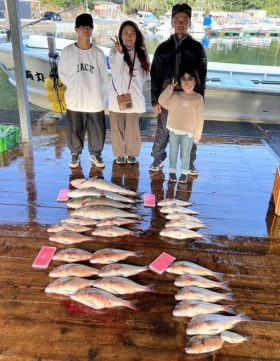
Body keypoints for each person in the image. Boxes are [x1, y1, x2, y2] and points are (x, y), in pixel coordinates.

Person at [150, 3, 207, 175]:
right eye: (177, 20)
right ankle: (158, 158)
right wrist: (154, 100)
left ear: (189, 23)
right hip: (167, 98)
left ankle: (189, 163)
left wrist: (200, 100)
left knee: (188, 133)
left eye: (185, 20)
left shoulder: (197, 48)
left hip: (189, 99)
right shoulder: (162, 48)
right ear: (172, 22)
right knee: (163, 131)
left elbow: (202, 77)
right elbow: (155, 75)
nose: (181, 23)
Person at [58, 13, 107, 169]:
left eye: (89, 26)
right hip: (75, 99)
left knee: (97, 130)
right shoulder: (67, 52)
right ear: (76, 29)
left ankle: (96, 153)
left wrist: (92, 88)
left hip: (94, 99)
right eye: (83, 26)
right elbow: (63, 74)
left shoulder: (98, 53)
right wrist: (75, 85)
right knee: (74, 129)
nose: (86, 29)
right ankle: (75, 154)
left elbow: (102, 75)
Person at [108, 20, 150, 165]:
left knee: (133, 127)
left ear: (137, 35)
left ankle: (132, 153)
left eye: (132, 33)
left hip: (134, 95)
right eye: (125, 33)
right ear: (121, 35)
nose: (129, 36)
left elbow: (145, 75)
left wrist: (134, 83)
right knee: (117, 126)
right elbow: (115, 72)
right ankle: (119, 154)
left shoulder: (142, 52)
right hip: (117, 95)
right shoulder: (114, 51)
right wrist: (120, 54)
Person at [158, 70, 204, 183]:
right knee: (172, 152)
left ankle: (184, 172)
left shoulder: (198, 98)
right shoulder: (175, 96)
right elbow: (161, 101)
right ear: (180, 82)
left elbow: (200, 118)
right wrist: (169, 90)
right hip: (173, 129)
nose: (187, 82)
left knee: (185, 154)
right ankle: (172, 172)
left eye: (190, 79)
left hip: (189, 132)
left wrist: (197, 135)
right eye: (184, 79)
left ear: (195, 81)